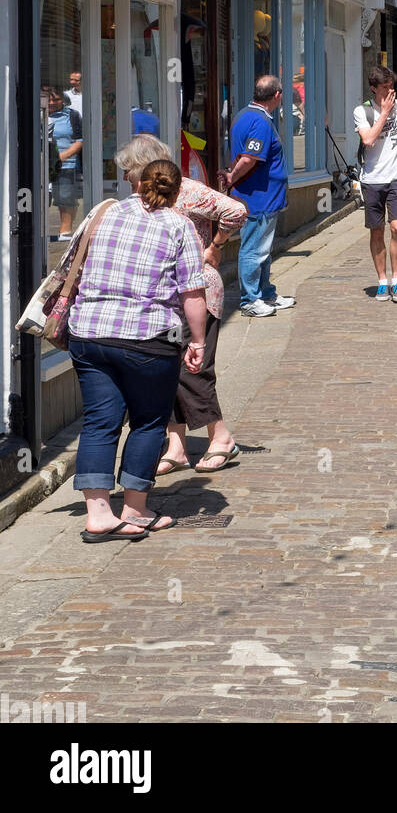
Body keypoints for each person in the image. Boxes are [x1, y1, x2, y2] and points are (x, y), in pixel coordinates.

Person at [67, 160, 207, 540]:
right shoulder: (179, 226)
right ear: (177, 192)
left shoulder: (104, 213)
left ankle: (98, 515)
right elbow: (192, 291)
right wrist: (197, 339)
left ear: (136, 184)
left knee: (99, 420)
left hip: (90, 333)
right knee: (147, 420)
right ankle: (135, 509)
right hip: (147, 339)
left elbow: (71, 262)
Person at [116, 136, 247, 476]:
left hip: (198, 293)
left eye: (130, 171)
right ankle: (176, 446)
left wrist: (215, 245)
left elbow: (236, 210)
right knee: (168, 369)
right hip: (166, 298)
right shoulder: (143, 196)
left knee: (193, 370)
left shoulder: (186, 190)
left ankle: (221, 437)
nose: (127, 178)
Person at [221, 74, 295, 318]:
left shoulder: (244, 115)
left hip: (263, 196)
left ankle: (265, 293)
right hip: (259, 197)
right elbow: (249, 158)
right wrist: (232, 176)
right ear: (277, 95)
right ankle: (250, 299)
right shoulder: (260, 122)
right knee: (254, 249)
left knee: (262, 248)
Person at [355, 65, 397, 304]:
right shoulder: (362, 111)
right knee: (377, 230)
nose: (390, 92)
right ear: (373, 88)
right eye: (384, 88)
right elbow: (369, 139)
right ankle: (382, 281)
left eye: (392, 87)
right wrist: (384, 113)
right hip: (372, 179)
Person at [45, 85, 84, 237]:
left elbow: (80, 140)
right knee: (42, 199)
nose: (52, 103)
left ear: (63, 100)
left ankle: (65, 232)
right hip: (40, 164)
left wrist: (62, 156)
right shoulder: (35, 113)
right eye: (48, 99)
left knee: (65, 199)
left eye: (56, 99)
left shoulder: (72, 115)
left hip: (65, 164)